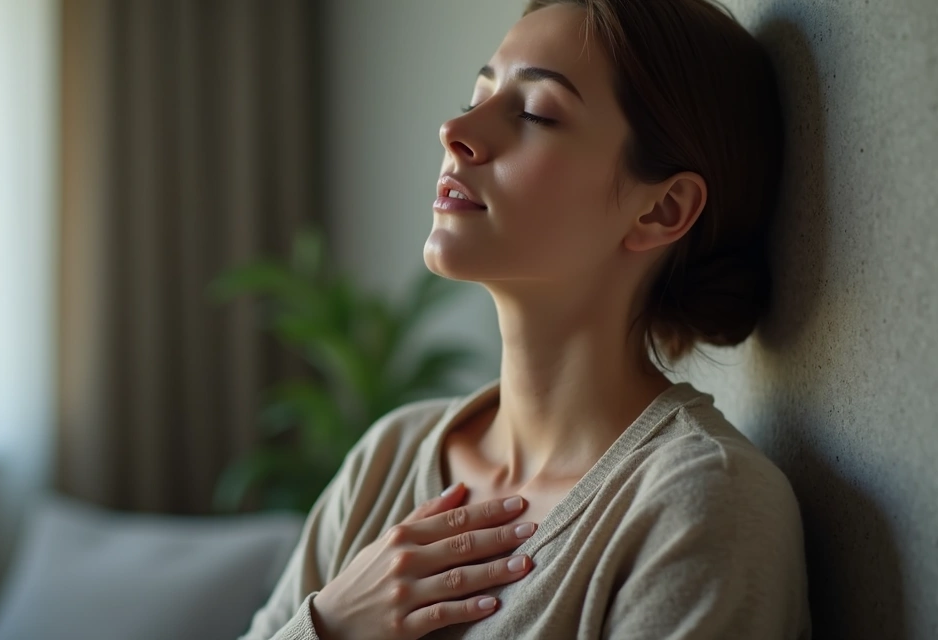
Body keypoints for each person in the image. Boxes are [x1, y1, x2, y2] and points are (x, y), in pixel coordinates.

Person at [241, 0, 811, 638]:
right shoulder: (389, 458)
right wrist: (331, 623)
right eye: (476, 95)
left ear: (662, 209)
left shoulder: (703, 506)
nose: (455, 129)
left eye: (537, 112)